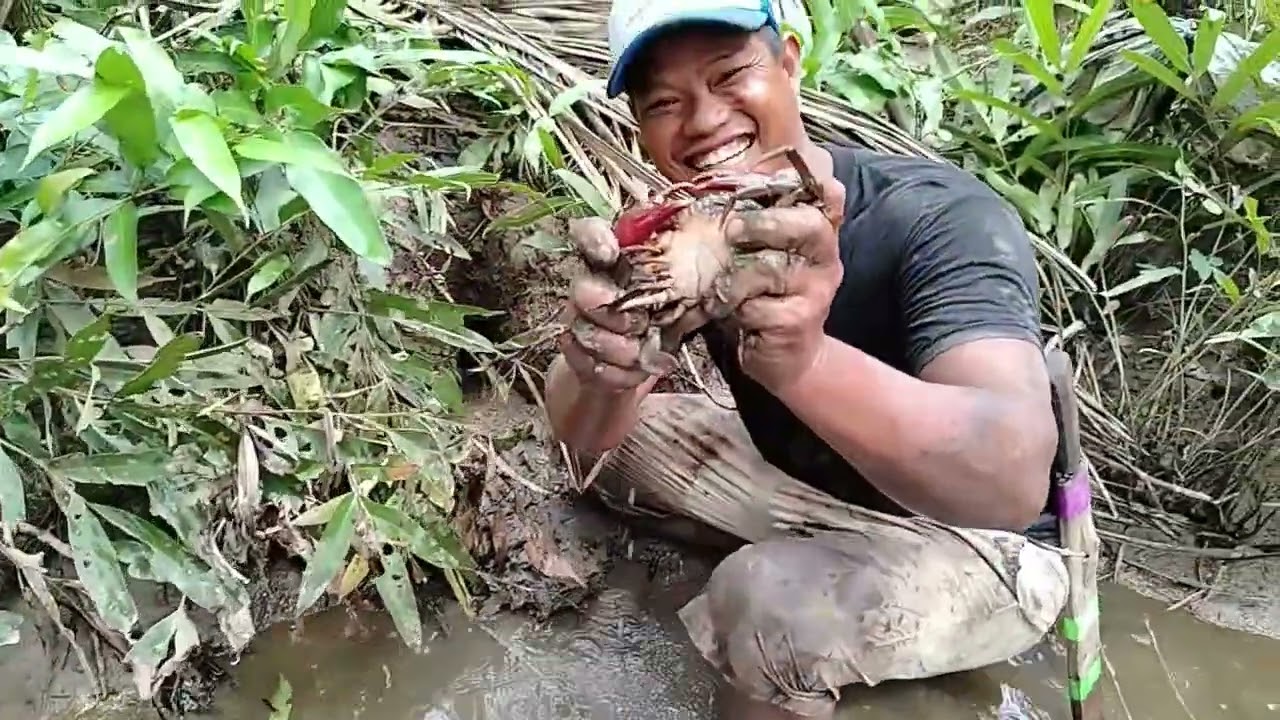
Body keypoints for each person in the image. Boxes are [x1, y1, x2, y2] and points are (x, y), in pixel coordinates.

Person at [543, 1, 1072, 718]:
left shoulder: (937, 216)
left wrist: (802, 359)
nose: (701, 122)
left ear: (789, 62)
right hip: (807, 492)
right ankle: (807, 564)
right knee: (621, 433)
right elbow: (579, 435)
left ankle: (805, 622)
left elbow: (1006, 482)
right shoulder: (697, 230)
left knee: (768, 604)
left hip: (985, 544)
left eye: (731, 75)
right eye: (665, 101)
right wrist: (602, 358)